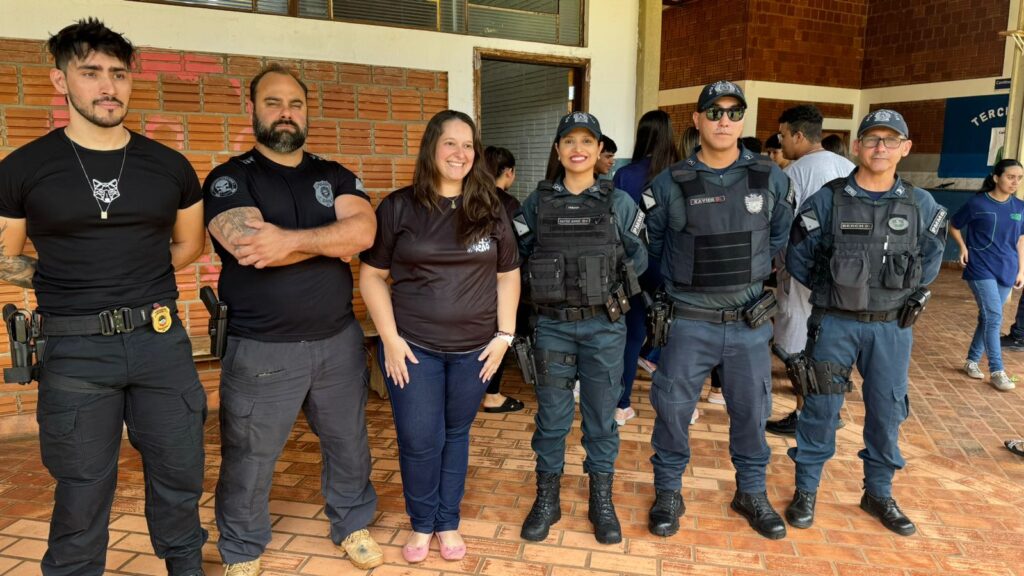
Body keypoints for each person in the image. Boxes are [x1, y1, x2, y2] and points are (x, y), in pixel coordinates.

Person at [0, 19, 208, 575]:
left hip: (160, 342)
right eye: (90, 72)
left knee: (179, 471)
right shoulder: (23, 169)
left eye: (118, 73)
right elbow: (4, 253)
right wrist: (66, 275)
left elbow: (190, 243)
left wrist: (130, 271)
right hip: (74, 349)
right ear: (60, 80)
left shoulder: (169, 166)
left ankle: (184, 567)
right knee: (83, 485)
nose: (107, 86)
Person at [205, 65, 382, 575]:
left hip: (337, 340)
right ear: (254, 110)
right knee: (249, 454)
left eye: (296, 104)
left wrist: (287, 239)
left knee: (349, 441)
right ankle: (241, 548)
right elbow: (248, 247)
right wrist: (327, 240)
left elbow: (364, 234)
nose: (286, 113)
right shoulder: (230, 177)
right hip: (262, 346)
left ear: (307, 113)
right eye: (274, 103)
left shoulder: (334, 174)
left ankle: (351, 523)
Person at [360, 110, 520, 563]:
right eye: (450, 143)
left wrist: (504, 336)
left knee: (455, 433)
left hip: (475, 352)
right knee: (417, 438)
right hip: (413, 350)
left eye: (468, 145)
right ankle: (421, 523)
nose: (460, 153)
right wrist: (389, 339)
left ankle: (446, 521)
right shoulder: (398, 207)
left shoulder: (490, 208)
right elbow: (372, 276)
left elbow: (509, 275)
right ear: (432, 147)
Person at [784, 109, 947, 536]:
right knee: (820, 407)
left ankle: (878, 491)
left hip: (891, 327)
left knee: (887, 410)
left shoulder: (920, 204)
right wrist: (835, 290)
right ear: (857, 146)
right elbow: (798, 256)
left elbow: (930, 262)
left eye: (890, 141)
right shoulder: (828, 199)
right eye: (872, 139)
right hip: (834, 323)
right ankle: (807, 490)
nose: (880, 148)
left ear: (905, 149)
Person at [644, 81, 794, 540]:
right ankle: (668, 491)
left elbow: (777, 239)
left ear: (743, 120)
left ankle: (750, 491)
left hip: (748, 324)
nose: (723, 120)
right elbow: (652, 247)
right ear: (697, 120)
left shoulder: (770, 177)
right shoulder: (669, 182)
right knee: (672, 412)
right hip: (688, 322)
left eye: (733, 112)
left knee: (752, 413)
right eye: (713, 111)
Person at [515, 112, 647, 545]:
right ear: (557, 150)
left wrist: (606, 279)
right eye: (569, 141)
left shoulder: (619, 202)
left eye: (587, 142)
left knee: (601, 420)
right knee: (551, 419)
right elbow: (519, 253)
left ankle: (601, 501)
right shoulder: (536, 203)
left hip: (603, 328)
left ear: (598, 150)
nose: (578, 149)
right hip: (552, 326)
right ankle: (547, 499)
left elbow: (640, 258)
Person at [766, 104, 855, 436]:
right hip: (845, 274)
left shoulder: (795, 173)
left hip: (803, 272)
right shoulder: (849, 167)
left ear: (798, 135)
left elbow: (782, 225)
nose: (782, 140)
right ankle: (831, 412)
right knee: (835, 341)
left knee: (797, 342)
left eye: (783, 134)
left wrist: (778, 263)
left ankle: (804, 414)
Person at [611, 110, 679, 426]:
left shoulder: (625, 175)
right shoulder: (682, 173)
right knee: (680, 335)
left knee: (632, 331)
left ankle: (621, 405)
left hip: (636, 265)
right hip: (675, 264)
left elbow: (617, 225)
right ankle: (681, 405)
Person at [950, 159, 1024, 391]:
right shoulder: (977, 203)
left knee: (988, 317)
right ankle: (997, 371)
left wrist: (1022, 269)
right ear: (996, 177)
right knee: (994, 317)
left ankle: (971, 361)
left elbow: (1021, 240)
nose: (1015, 182)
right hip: (980, 267)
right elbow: (953, 224)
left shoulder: (1020, 207)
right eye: (1010, 176)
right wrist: (962, 248)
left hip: (1007, 268)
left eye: (1019, 178)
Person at [480, 145, 525, 413]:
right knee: (501, 336)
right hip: (502, 283)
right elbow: (523, 243)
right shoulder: (510, 205)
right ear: (508, 172)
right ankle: (492, 395)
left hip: (472, 285)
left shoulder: (469, 198)